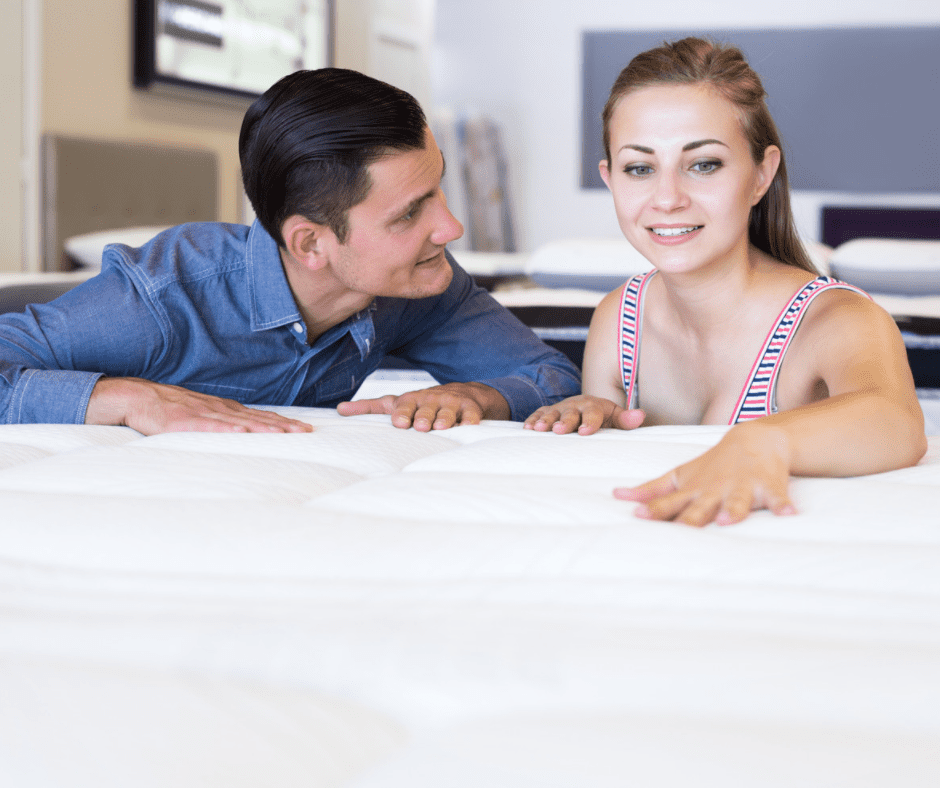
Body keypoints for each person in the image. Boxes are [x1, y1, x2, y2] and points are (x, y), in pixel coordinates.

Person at [0, 68, 579, 434]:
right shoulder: (161, 299)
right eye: (410, 211)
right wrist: (124, 397)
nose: (451, 228)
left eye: (438, 191)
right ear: (310, 243)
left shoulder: (418, 285)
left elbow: (550, 375)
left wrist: (481, 393)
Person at [524, 37, 926, 526]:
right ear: (611, 179)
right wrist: (594, 416)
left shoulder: (837, 319)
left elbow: (899, 423)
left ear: (761, 174)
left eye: (703, 164)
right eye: (640, 168)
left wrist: (761, 439)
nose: (667, 198)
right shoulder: (618, 317)